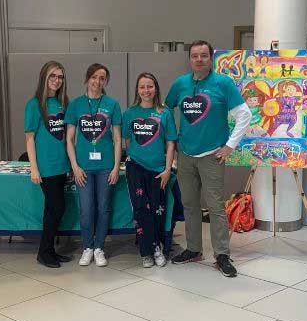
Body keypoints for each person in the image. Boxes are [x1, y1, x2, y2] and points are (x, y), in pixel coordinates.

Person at [165, 40, 252, 278]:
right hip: (185, 155)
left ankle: (222, 254)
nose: (199, 60)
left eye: (204, 55)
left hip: (212, 156)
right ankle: (194, 249)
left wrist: (229, 146)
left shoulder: (223, 83)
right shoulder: (180, 84)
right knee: (190, 205)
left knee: (215, 207)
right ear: (190, 59)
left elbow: (245, 114)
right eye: (195, 56)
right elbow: (165, 109)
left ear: (211, 58)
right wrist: (172, 138)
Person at [65, 63, 122, 267]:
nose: (98, 81)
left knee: (104, 207)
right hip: (83, 167)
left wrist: (116, 166)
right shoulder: (76, 105)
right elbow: (70, 139)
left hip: (106, 166)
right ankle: (87, 247)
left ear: (106, 81)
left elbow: (117, 139)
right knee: (86, 209)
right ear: (87, 79)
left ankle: (99, 248)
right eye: (94, 77)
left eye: (102, 78)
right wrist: (75, 166)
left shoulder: (112, 104)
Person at [122, 72, 177, 267]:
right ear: (137, 90)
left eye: (150, 86)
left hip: (158, 170)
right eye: (142, 87)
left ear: (156, 88)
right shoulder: (129, 113)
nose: (146, 90)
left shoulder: (165, 113)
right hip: (135, 167)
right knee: (140, 209)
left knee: (157, 209)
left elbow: (170, 143)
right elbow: (126, 141)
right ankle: (147, 251)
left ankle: (158, 246)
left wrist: (167, 169)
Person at [24, 61, 71, 268]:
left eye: (60, 77)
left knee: (53, 210)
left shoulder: (63, 103)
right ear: (44, 77)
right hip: (46, 167)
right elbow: (29, 139)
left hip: (62, 166)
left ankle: (49, 250)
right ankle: (44, 252)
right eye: (53, 76)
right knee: (56, 208)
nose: (56, 80)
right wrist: (34, 167)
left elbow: (68, 138)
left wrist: (70, 164)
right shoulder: (34, 105)